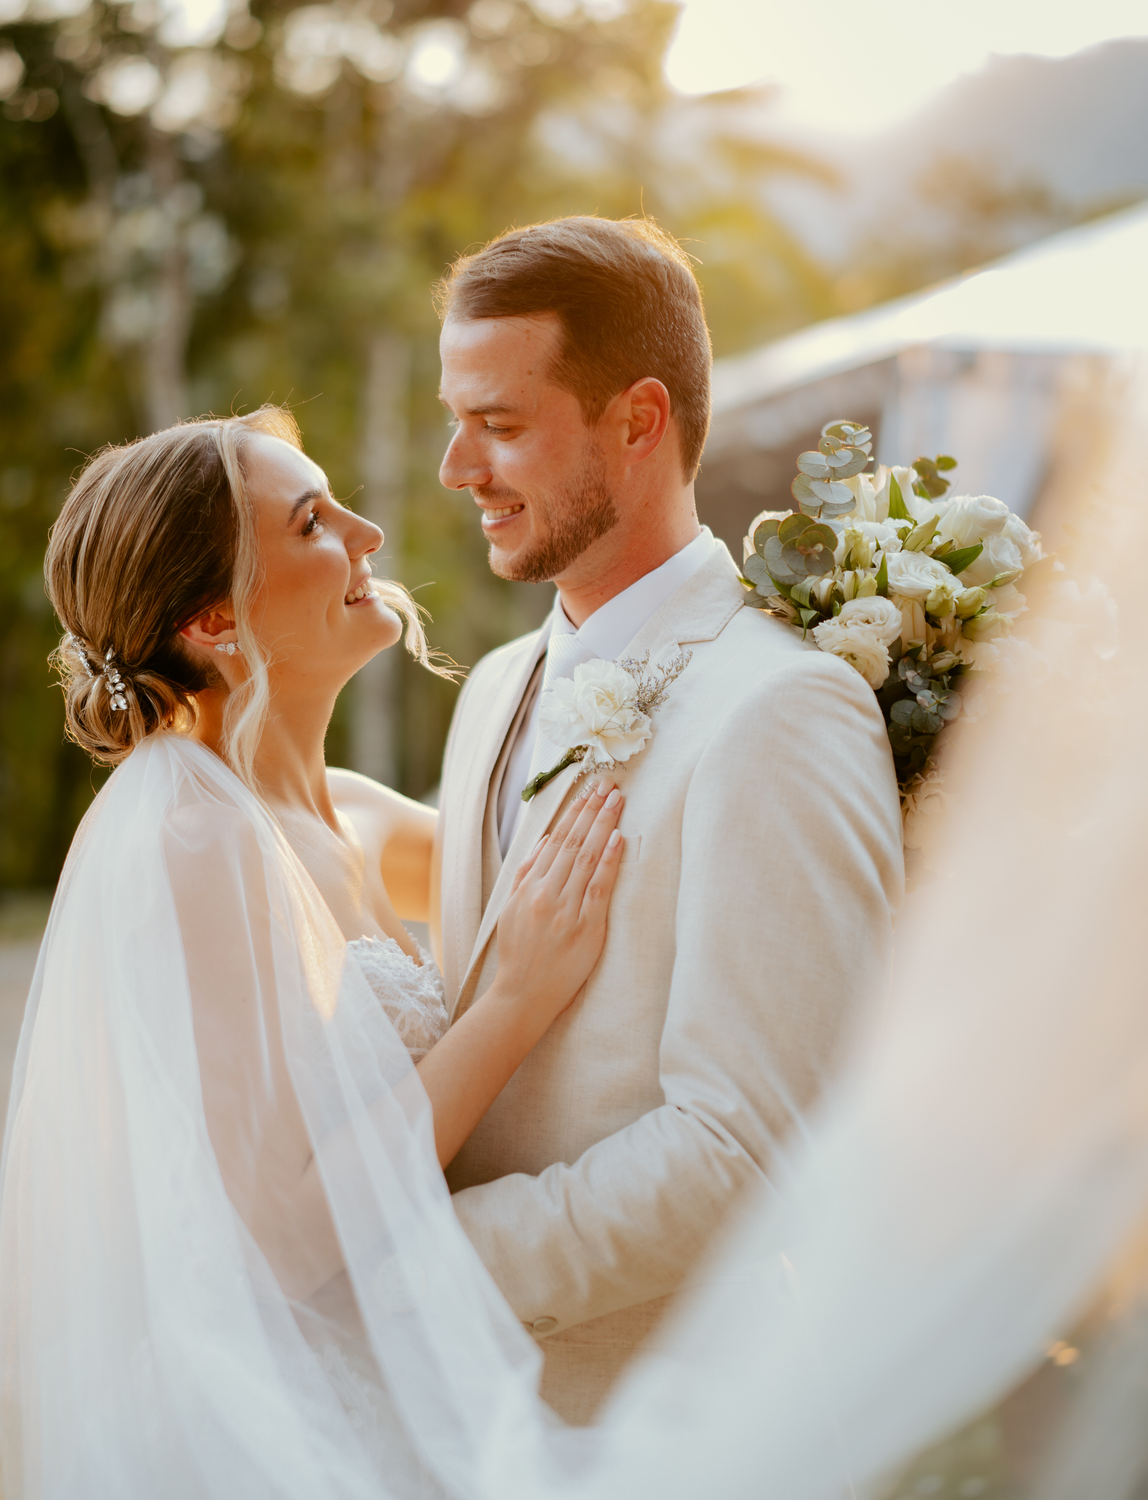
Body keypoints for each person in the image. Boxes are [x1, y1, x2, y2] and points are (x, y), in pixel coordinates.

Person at [0, 405, 626, 1496]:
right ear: (214, 622)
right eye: (311, 524)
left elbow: (603, 856)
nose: (368, 532)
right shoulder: (193, 840)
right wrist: (508, 1006)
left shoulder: (357, 813)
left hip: (413, 1369)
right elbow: (280, 1236)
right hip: (304, 1428)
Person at [432, 215, 906, 1422]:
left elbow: (748, 1149)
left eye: (499, 425)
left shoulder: (783, 709)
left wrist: (423, 1266)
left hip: (681, 1426)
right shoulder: (490, 692)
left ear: (638, 421)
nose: (457, 468)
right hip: (472, 1425)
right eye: (458, 422)